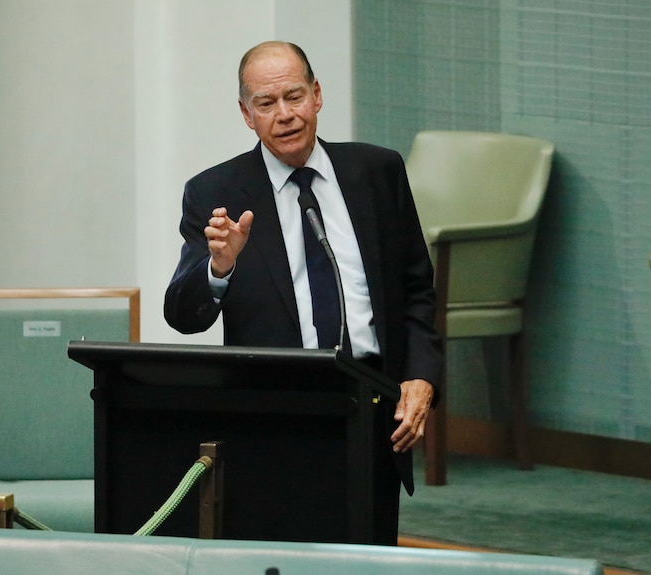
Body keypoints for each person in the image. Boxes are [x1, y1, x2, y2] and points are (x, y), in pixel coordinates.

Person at [164, 40, 442, 545]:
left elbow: (416, 286)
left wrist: (421, 375)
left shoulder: (377, 172)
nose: (285, 115)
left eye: (294, 97)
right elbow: (184, 315)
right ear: (247, 115)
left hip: (372, 403)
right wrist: (218, 266)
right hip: (278, 414)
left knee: (369, 553)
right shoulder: (215, 192)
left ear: (317, 95)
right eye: (266, 104)